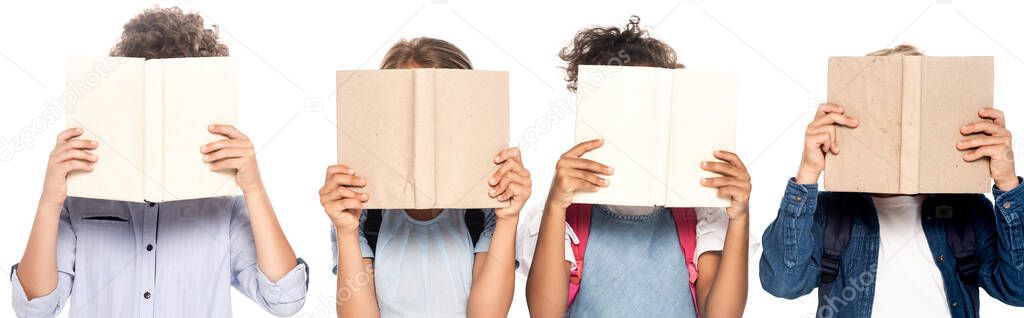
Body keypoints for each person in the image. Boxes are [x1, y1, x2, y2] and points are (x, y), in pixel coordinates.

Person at [10, 7, 307, 318]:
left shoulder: (223, 205)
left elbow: (285, 299)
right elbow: (34, 308)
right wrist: (49, 201)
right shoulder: (83, 199)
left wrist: (254, 188)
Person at [759, 44, 1024, 318]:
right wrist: (807, 174)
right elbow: (782, 283)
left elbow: (1019, 289)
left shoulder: (969, 209)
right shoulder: (829, 211)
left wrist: (1007, 184)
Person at [524, 16, 750, 318]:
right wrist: (555, 206)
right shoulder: (561, 213)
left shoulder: (700, 211)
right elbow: (544, 313)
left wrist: (739, 217)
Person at [322, 37, 531, 318]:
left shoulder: (484, 210)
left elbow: (487, 315)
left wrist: (508, 219)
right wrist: (346, 231)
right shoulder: (364, 212)